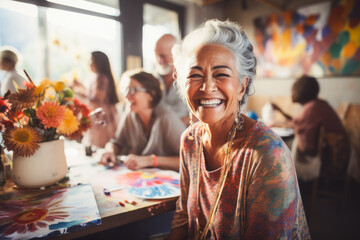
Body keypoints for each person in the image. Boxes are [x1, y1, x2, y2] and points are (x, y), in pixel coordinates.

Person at [167, 19, 310, 239]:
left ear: (242, 86)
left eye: (221, 74)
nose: (206, 87)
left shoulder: (267, 154)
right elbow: (183, 215)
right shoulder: (189, 140)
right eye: (195, 75)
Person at [100, 71, 186, 171]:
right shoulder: (129, 115)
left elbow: (191, 160)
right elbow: (117, 143)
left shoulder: (166, 117)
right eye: (126, 91)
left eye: (133, 90)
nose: (126, 96)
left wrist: (151, 160)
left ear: (151, 95)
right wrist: (110, 151)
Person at [271, 75, 350, 182]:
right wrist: (279, 111)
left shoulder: (312, 108)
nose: (292, 94)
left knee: (278, 149)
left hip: (332, 159)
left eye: (293, 90)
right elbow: (296, 121)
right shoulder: (316, 105)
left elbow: (296, 124)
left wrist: (275, 123)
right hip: (336, 154)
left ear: (301, 91)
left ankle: (283, 185)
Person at [72, 51, 120, 148]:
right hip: (102, 118)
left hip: (102, 120)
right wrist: (81, 87)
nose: (89, 63)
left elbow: (96, 101)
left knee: (101, 148)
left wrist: (75, 92)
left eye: (91, 60)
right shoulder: (97, 78)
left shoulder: (100, 78)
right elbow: (93, 95)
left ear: (98, 62)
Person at [154, 34, 189, 125]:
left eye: (163, 56)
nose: (159, 61)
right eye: (157, 56)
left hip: (184, 131)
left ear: (176, 55)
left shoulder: (190, 79)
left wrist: (169, 126)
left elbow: (198, 115)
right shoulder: (153, 79)